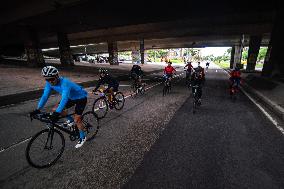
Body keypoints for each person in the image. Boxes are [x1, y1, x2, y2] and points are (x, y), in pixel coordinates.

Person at [29, 66, 88, 148]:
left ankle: (83, 136)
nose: (50, 81)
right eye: (47, 79)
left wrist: (57, 113)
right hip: (71, 98)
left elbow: (64, 99)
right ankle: (70, 121)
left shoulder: (65, 83)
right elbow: (45, 96)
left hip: (80, 98)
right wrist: (37, 109)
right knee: (55, 109)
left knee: (77, 119)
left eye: (52, 79)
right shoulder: (49, 83)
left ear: (57, 76)